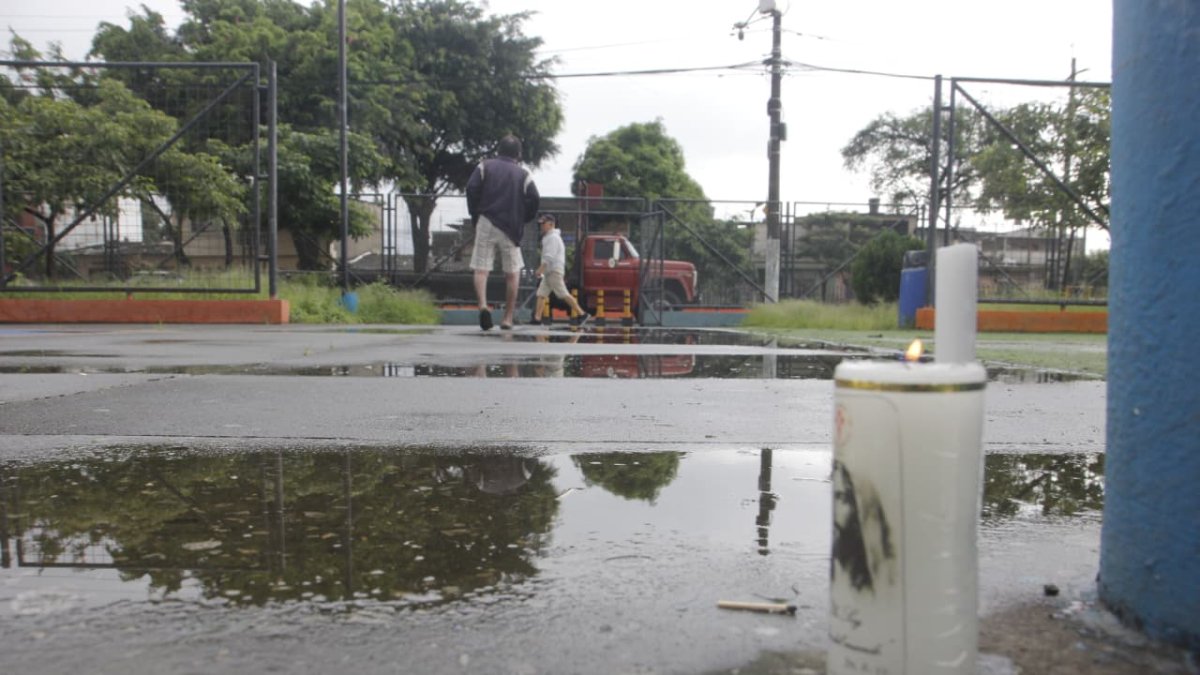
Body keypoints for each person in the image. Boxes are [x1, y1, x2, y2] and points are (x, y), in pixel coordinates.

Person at [465, 134, 539, 331]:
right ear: (518, 154)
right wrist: (523, 217)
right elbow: (534, 198)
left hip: (486, 220)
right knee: (512, 273)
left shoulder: (484, 166)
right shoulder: (524, 174)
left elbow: (471, 188)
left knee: (482, 269)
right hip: (511, 226)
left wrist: (475, 214)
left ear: (498, 150)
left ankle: (482, 306)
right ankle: (507, 318)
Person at [531, 213, 591, 326]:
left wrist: (540, 269)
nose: (541, 226)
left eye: (543, 224)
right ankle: (537, 318)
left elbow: (549, 256)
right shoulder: (549, 237)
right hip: (550, 271)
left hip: (553, 271)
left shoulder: (552, 237)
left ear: (551, 224)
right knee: (541, 294)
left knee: (563, 294)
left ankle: (582, 314)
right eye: (541, 224)